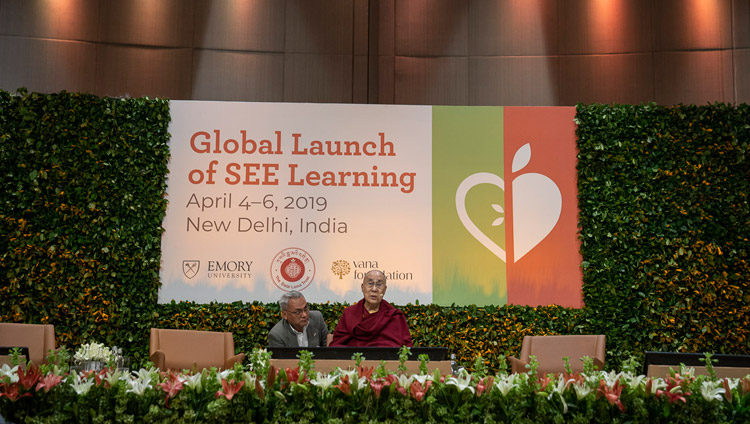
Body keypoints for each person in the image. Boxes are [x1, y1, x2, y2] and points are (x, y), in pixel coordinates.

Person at [330, 270, 413, 347]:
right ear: (362, 288)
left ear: (384, 290)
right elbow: (337, 345)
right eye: (370, 284)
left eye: (379, 285)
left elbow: (406, 348)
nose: (374, 289)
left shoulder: (394, 316)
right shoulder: (349, 313)